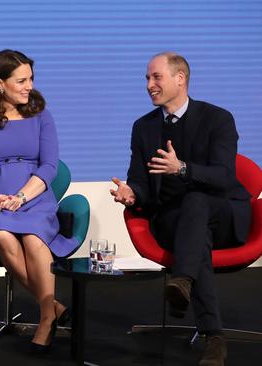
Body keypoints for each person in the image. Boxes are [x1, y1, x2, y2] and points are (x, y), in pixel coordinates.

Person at [110, 52, 251, 366]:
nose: (149, 85)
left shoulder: (217, 118)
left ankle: (184, 283)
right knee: (194, 236)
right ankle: (211, 334)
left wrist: (183, 169)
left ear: (180, 79)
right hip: (172, 221)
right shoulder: (143, 127)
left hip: (222, 214)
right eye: (147, 78)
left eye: (156, 77)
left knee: (197, 201)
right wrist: (132, 193)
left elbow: (225, 176)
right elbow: (141, 181)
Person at [0, 49, 78, 354]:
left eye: (31, 79)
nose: (29, 86)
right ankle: (52, 306)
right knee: (2, 236)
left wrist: (22, 196)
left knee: (33, 236)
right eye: (21, 80)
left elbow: (49, 166)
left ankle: (45, 318)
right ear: (0, 84)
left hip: (34, 197)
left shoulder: (41, 116)